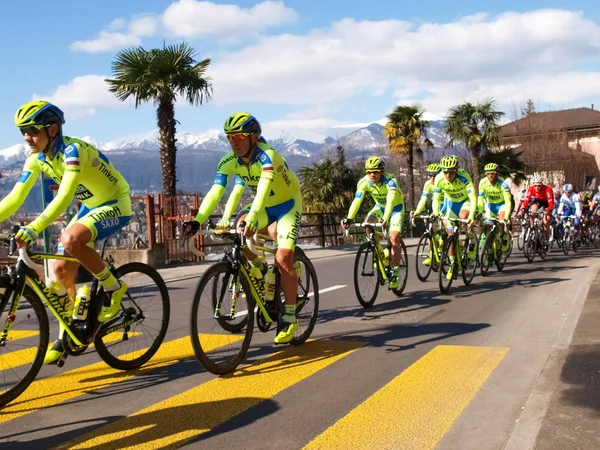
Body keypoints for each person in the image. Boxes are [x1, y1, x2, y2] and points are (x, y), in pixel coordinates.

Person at [0, 101, 131, 364]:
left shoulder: (74, 150)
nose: (27, 137)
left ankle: (113, 286)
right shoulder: (36, 159)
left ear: (52, 129)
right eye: (23, 131)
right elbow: (15, 197)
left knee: (70, 239)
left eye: (32, 131)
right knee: (59, 273)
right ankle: (70, 332)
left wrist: (35, 226)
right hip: (92, 207)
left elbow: (65, 195)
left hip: (115, 203)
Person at [182, 113, 302, 344]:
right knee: (239, 227)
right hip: (265, 204)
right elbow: (216, 191)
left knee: (284, 256)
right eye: (230, 138)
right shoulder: (228, 161)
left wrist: (254, 217)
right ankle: (261, 270)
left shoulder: (269, 156)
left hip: (287, 204)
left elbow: (265, 189)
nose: (234, 142)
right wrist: (197, 219)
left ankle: (290, 316)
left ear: (254, 137)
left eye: (239, 136)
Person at [341, 157, 405, 288]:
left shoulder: (391, 181)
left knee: (394, 238)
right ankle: (380, 252)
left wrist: (386, 218)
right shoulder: (364, 182)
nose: (372, 175)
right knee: (367, 224)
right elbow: (357, 201)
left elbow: (391, 201)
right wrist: (349, 218)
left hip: (395, 208)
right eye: (369, 172)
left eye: (375, 172)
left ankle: (396, 272)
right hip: (380, 207)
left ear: (381, 172)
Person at [432, 154, 477, 280]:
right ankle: (452, 263)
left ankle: (471, 238)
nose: (448, 175)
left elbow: (473, 198)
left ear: (456, 170)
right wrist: (436, 212)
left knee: (464, 216)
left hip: (465, 202)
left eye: (451, 172)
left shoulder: (464, 177)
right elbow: (435, 199)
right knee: (450, 234)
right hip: (452, 204)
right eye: (445, 172)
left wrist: (471, 216)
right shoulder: (439, 179)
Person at [410, 163, 444, 266]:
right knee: (430, 232)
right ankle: (431, 254)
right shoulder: (428, 184)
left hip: (446, 206)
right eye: (430, 175)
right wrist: (417, 212)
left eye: (435, 175)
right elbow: (423, 199)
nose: (432, 178)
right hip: (434, 207)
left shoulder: (444, 182)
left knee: (445, 229)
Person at [477, 163, 512, 250]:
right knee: (489, 226)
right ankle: (490, 249)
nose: (490, 176)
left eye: (492, 173)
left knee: (501, 221)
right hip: (490, 205)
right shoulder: (482, 182)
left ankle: (505, 237)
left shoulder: (503, 184)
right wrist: (480, 211)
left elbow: (508, 202)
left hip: (502, 205)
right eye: (488, 174)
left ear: (497, 174)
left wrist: (506, 216)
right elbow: (480, 199)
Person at [516, 176, 554, 241]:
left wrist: (547, 210)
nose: (537, 187)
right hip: (538, 201)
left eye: (539, 185)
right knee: (532, 211)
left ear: (542, 184)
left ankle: (547, 238)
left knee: (546, 221)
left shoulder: (548, 189)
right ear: (533, 185)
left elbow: (551, 204)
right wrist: (522, 210)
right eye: (535, 185)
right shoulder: (531, 189)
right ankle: (532, 227)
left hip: (546, 202)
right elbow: (526, 200)